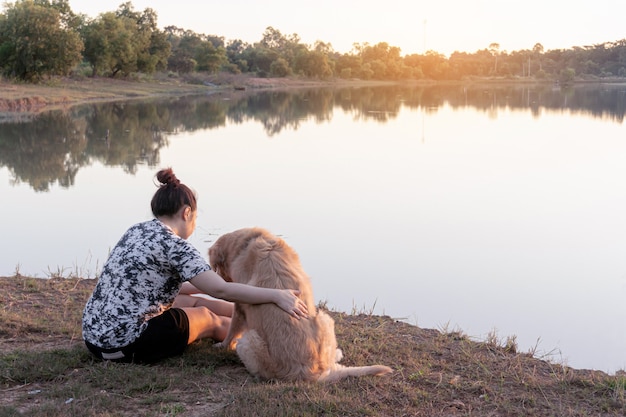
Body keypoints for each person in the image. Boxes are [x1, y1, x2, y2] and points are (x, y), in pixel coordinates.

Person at [82, 168, 308, 364]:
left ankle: (260, 318)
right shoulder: (176, 246)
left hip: (94, 339)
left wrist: (213, 288)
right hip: (129, 344)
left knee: (190, 300)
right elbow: (221, 290)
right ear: (186, 212)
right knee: (206, 315)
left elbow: (165, 287)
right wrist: (276, 295)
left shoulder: (136, 231)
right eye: (196, 218)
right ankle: (260, 337)